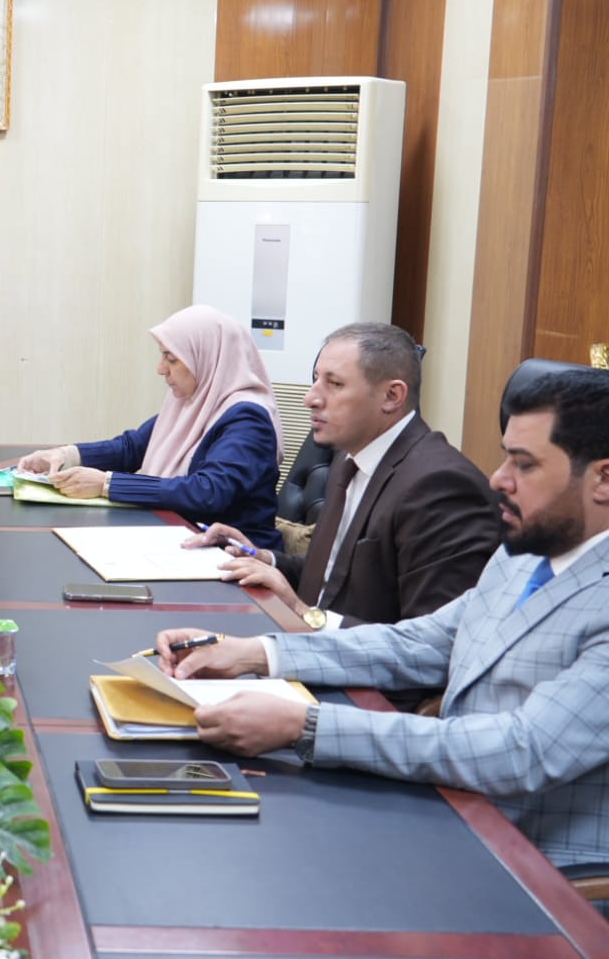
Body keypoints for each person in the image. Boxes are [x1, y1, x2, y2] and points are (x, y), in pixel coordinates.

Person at [155, 367, 609, 878]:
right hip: (447, 811)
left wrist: (303, 726)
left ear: (603, 478)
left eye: (524, 464)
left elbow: (522, 751)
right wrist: (256, 653)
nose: (498, 479)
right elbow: (422, 642)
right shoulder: (526, 552)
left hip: (536, 873)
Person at [193, 322, 501, 637]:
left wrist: (304, 613)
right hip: (312, 645)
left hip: (359, 667)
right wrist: (264, 559)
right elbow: (333, 579)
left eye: (335, 384)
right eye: (315, 380)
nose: (310, 398)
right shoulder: (349, 456)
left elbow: (433, 644)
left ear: (392, 396)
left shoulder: (441, 487)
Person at [18, 304, 284, 551]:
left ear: (206, 357)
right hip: (185, 540)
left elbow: (207, 491)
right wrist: (65, 455)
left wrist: (106, 484)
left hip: (236, 558)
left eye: (172, 359)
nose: (161, 369)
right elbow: (131, 447)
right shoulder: (194, 402)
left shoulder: (248, 418)